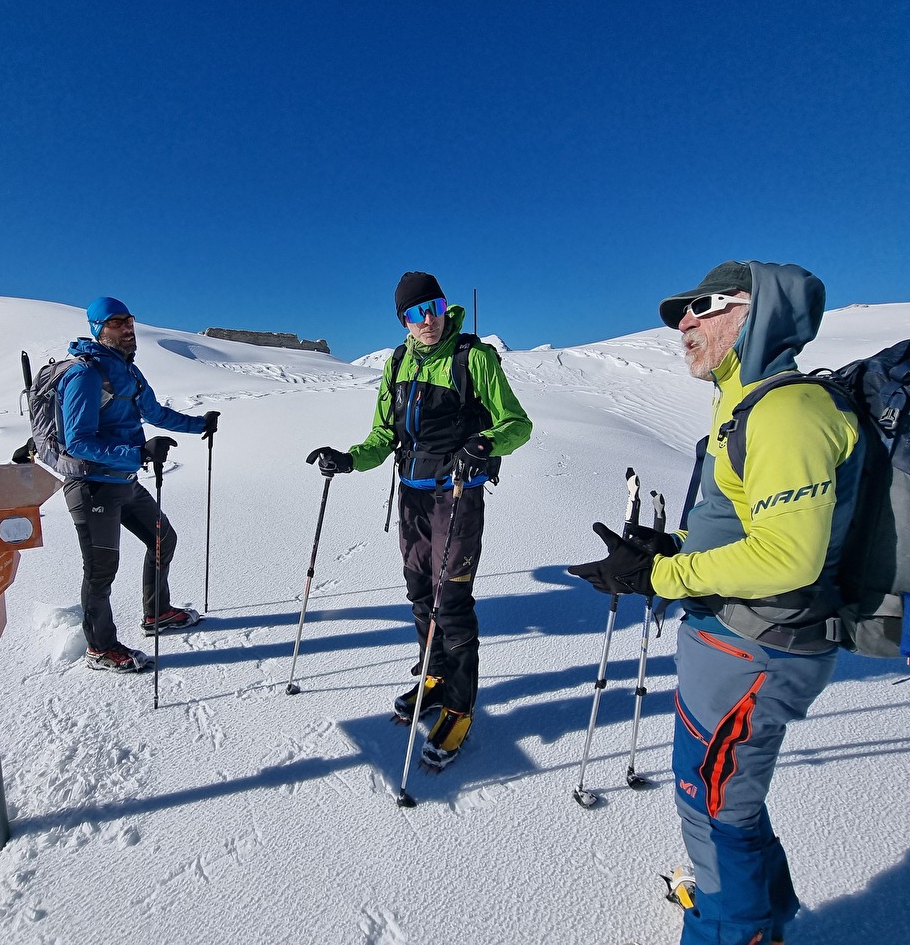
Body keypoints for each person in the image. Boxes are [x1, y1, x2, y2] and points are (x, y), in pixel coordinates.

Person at [568, 261, 864, 945]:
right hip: (730, 642)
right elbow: (738, 526)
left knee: (714, 804)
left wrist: (663, 578)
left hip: (759, 649)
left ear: (756, 312)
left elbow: (789, 556)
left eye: (704, 306)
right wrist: (661, 549)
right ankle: (764, 911)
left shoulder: (789, 411)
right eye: (680, 313)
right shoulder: (745, 401)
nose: (684, 323)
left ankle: (735, 927)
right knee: (724, 798)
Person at [307, 271, 532, 767]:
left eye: (433, 306)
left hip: (458, 495)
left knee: (451, 600)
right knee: (420, 595)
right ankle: (433, 679)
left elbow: (517, 425)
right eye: (414, 313)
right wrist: (348, 459)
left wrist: (484, 445)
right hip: (411, 497)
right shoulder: (398, 362)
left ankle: (460, 704)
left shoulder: (473, 358)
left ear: (444, 305)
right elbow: (383, 435)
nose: (427, 319)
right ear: (403, 321)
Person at [59, 296, 220, 673]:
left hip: (124, 482)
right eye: (116, 322)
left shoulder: (127, 371)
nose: (128, 327)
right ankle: (99, 648)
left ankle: (157, 613)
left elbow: (154, 412)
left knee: (164, 538)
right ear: (98, 329)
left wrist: (199, 424)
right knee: (101, 571)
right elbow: (77, 441)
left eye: (129, 320)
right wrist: (138, 454)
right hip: (91, 486)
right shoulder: (85, 374)